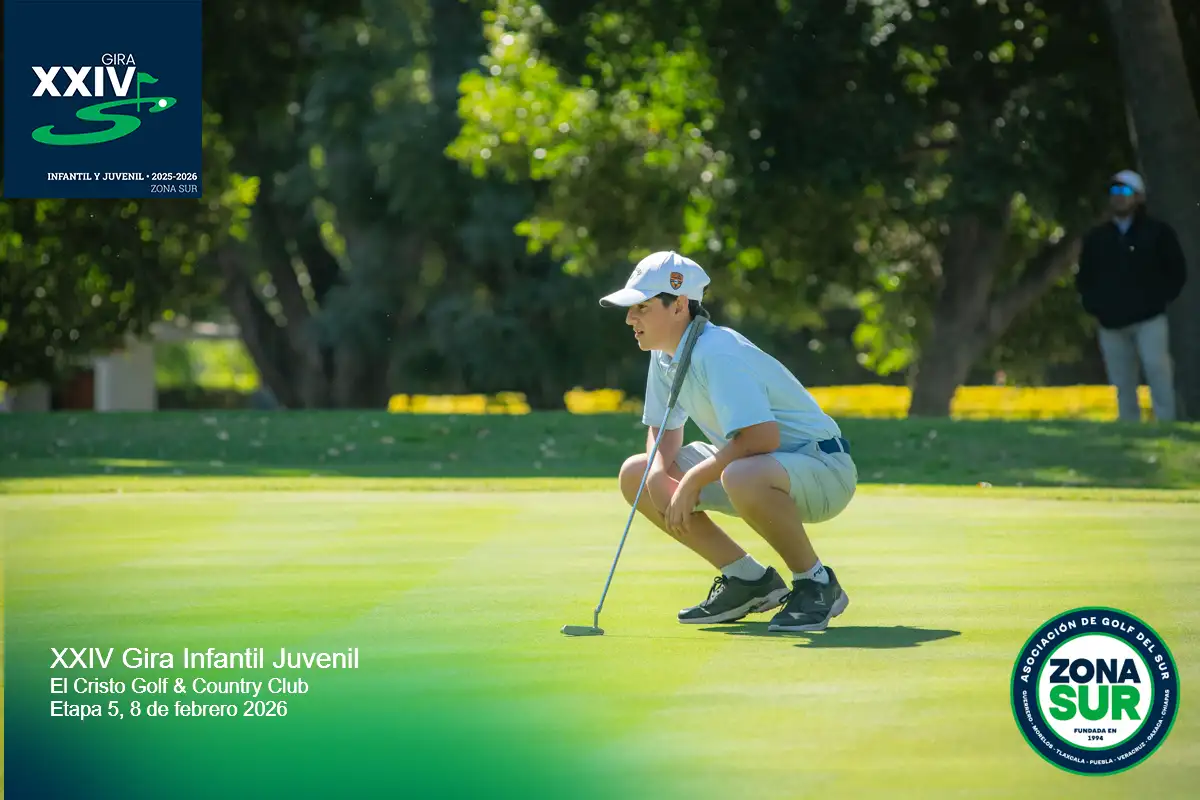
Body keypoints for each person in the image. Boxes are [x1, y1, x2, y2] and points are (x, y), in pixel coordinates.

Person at [600, 251, 858, 632]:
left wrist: (692, 480)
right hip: (759, 468)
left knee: (739, 475)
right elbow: (663, 428)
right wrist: (656, 476)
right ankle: (747, 580)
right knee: (636, 474)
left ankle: (816, 583)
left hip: (824, 468)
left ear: (679, 306)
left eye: (642, 307)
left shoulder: (717, 351)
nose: (629, 318)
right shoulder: (664, 354)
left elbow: (761, 437)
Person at [1076, 170, 1187, 422]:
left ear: (1139, 197)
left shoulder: (1158, 233)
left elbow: (1176, 272)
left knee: (1156, 368)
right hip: (1111, 321)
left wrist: (1158, 299)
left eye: (1125, 191)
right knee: (1122, 379)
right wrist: (1095, 306)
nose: (1118, 197)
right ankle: (1129, 424)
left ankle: (1166, 422)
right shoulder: (1097, 238)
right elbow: (1085, 277)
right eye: (1114, 191)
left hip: (1149, 318)